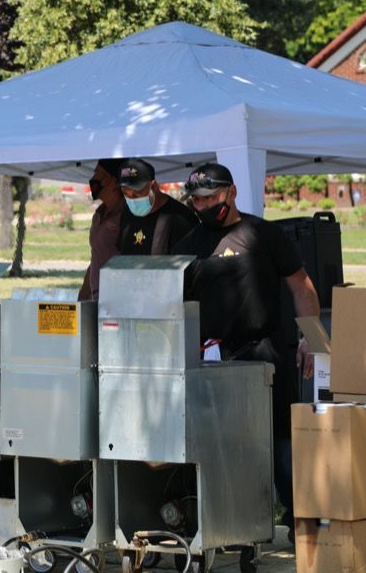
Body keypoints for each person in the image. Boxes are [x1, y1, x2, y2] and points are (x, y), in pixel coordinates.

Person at [172, 162, 319, 538]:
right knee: (219, 448)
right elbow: (171, 304)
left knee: (281, 447)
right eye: (197, 201)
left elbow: (302, 287)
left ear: (232, 193)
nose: (203, 206)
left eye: (211, 198)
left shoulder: (262, 234)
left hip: (264, 358)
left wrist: (312, 341)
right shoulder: (189, 246)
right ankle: (226, 524)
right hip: (212, 364)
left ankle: (304, 526)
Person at [116, 158, 198, 255]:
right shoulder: (127, 213)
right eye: (126, 194)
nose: (132, 199)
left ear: (153, 186)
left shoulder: (182, 218)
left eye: (137, 193)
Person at [78, 158, 125, 301]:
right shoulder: (98, 214)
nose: (93, 179)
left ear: (112, 180)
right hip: (96, 299)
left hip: (117, 299)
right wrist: (82, 297)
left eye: (98, 173)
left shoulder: (127, 214)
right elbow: (96, 258)